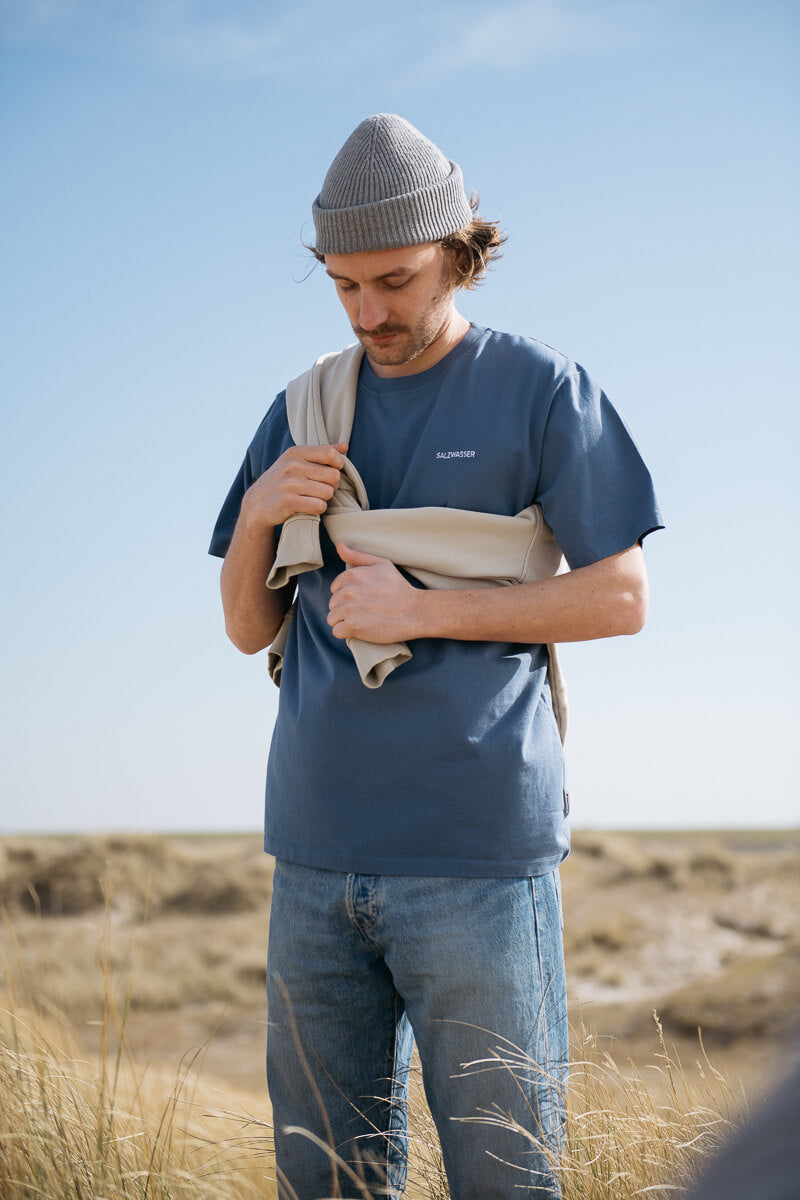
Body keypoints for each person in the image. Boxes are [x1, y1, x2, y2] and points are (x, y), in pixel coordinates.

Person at [209, 114, 663, 1200]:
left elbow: (619, 598)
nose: (371, 313)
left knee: (505, 1179)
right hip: (313, 854)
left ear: (458, 255)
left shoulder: (541, 388)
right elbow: (246, 626)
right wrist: (265, 511)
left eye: (397, 281)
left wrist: (425, 610)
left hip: (478, 856)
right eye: (344, 286)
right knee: (325, 1180)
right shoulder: (301, 409)